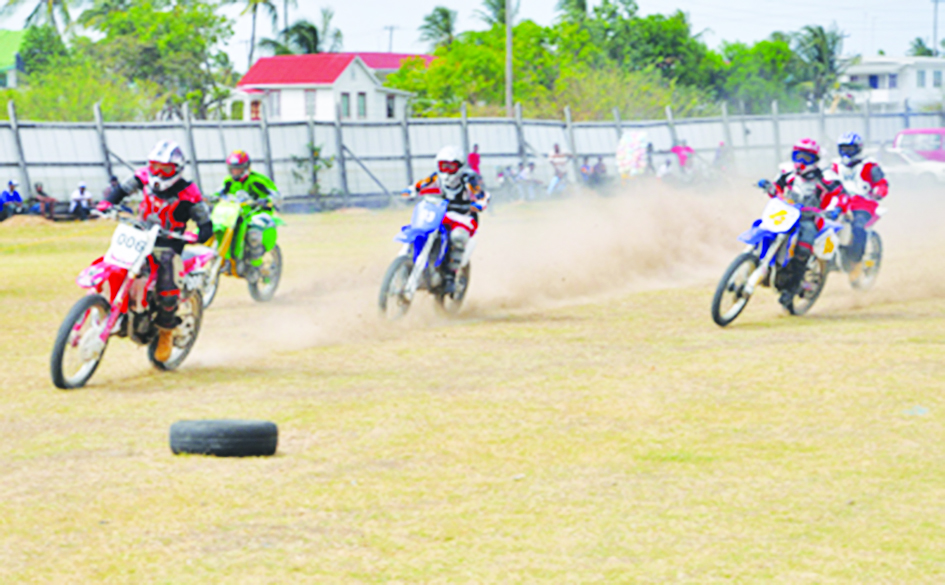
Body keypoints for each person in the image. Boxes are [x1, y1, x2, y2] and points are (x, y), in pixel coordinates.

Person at [96, 140, 213, 363]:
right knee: (115, 262)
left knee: (167, 284)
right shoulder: (142, 177)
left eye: (165, 169)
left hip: (169, 244)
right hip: (140, 236)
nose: (158, 173)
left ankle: (166, 332)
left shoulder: (189, 191)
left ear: (177, 170)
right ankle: (113, 308)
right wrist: (107, 204)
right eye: (155, 166)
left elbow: (205, 223)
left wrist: (198, 235)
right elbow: (121, 190)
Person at [759, 138, 846, 310]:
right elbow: (777, 187)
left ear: (815, 160)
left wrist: (836, 208)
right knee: (762, 228)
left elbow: (841, 194)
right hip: (785, 212)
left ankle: (791, 289)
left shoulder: (825, 176)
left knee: (803, 248)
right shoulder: (786, 171)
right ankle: (755, 261)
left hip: (809, 218)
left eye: (806, 158)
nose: (800, 162)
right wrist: (768, 186)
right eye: (797, 156)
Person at [409, 145, 486, 293]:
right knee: (421, 227)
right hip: (442, 212)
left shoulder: (469, 178)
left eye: (450, 167)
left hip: (464, 216)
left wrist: (480, 202)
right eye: (443, 166)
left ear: (460, 166)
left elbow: (480, 193)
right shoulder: (435, 176)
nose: (446, 171)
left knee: (458, 237)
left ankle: (450, 276)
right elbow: (421, 184)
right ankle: (409, 261)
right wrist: (411, 190)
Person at [830, 132, 888, 280]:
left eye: (850, 149)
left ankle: (855, 262)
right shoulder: (835, 165)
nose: (847, 153)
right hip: (838, 202)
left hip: (863, 204)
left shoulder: (870, 165)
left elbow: (881, 182)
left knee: (858, 227)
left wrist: (879, 190)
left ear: (859, 149)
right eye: (843, 149)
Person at [217, 150, 282, 278]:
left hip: (257, 213)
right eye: (233, 169)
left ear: (247, 167)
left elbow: (276, 195)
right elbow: (218, 193)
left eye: (239, 169)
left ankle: (256, 265)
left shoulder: (257, 180)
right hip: (236, 214)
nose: (235, 172)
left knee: (253, 234)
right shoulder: (228, 181)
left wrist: (267, 200)